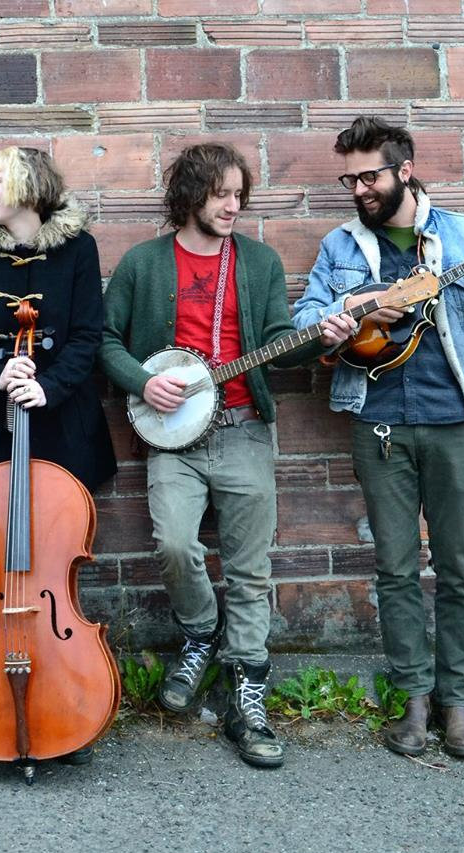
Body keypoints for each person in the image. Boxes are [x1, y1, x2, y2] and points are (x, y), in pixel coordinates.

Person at [100, 142, 354, 768]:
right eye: (221, 194)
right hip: (172, 437)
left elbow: (279, 343)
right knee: (174, 543)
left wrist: (321, 339)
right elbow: (104, 341)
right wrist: (142, 382)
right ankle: (200, 631)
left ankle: (247, 693)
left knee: (249, 568)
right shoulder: (143, 263)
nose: (233, 205)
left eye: (239, 194)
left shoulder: (259, 262)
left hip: (243, 429)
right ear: (190, 195)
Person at [292, 116, 464, 759]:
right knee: (394, 569)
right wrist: (347, 314)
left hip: (454, 423)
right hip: (379, 423)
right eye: (351, 179)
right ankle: (414, 699)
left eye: (370, 176)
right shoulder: (340, 246)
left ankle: (459, 704)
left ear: (405, 170)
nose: (360, 189)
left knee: (459, 568)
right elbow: (306, 319)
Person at [0, 145, 116, 507]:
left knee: (61, 524)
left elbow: (87, 335)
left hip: (63, 416)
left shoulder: (79, 248)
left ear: (28, 186)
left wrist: (49, 386)